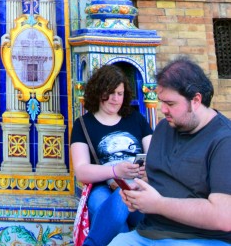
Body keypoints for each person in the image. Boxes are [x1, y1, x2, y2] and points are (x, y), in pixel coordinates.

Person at [108, 57, 231, 246]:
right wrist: (137, 193)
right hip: (148, 233)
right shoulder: (164, 127)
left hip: (200, 239)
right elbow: (156, 179)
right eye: (161, 102)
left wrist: (157, 204)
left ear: (196, 100)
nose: (163, 109)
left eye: (171, 104)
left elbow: (223, 216)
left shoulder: (224, 140)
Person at [70, 64, 151, 246]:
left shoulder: (136, 119)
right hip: (103, 187)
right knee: (110, 210)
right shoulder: (83, 124)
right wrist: (115, 171)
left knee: (127, 205)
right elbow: (82, 171)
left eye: (120, 94)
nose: (115, 99)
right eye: (110, 93)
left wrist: (147, 170)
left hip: (140, 185)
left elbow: (156, 156)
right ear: (98, 92)